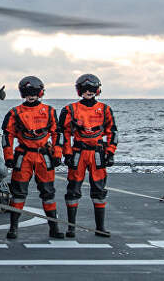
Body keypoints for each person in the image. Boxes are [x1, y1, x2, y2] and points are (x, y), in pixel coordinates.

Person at [1, 76, 64, 239]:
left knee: (48, 193)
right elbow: (7, 135)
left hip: (44, 157)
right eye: (28, 93)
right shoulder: (15, 113)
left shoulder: (49, 111)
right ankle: (13, 228)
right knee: (19, 193)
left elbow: (57, 134)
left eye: (34, 93)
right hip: (24, 156)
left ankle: (54, 228)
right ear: (23, 94)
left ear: (40, 93)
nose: (31, 96)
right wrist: (8, 156)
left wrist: (57, 153)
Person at [58, 74, 118, 238]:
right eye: (85, 89)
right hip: (78, 153)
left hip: (97, 154)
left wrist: (110, 153)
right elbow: (64, 134)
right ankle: (71, 228)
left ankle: (100, 227)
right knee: (73, 190)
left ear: (97, 90)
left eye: (92, 89)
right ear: (79, 91)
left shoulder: (105, 109)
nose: (88, 92)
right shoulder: (70, 109)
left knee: (99, 190)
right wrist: (67, 154)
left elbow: (112, 133)